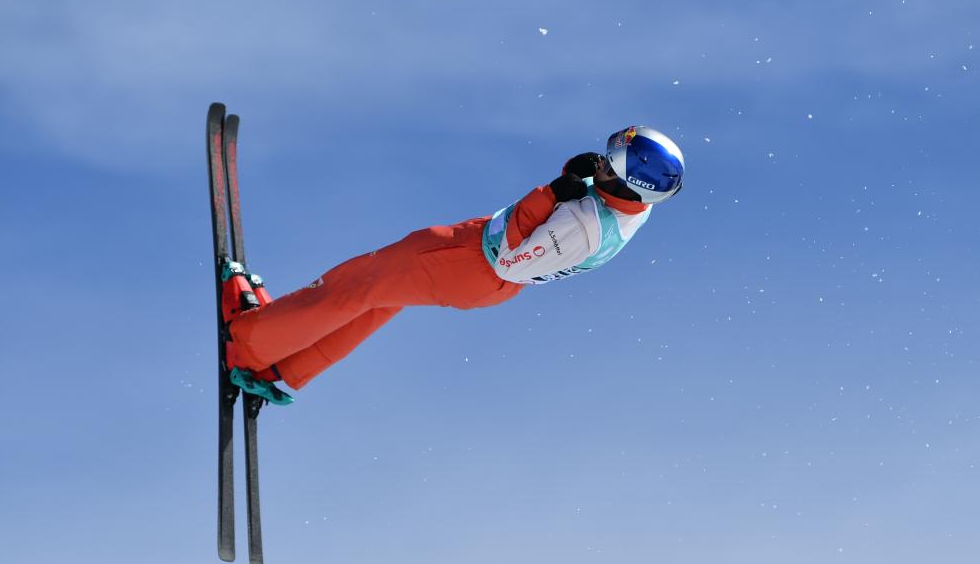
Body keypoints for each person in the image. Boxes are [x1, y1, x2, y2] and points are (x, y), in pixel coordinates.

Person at [222, 125, 685, 404]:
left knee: (355, 284)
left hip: (477, 264)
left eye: (610, 165)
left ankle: (249, 345)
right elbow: (568, 213)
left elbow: (512, 261)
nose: (601, 163)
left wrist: (548, 193)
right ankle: (284, 367)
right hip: (476, 262)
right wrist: (572, 178)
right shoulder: (635, 204)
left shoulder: (583, 228)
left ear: (628, 186)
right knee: (377, 301)